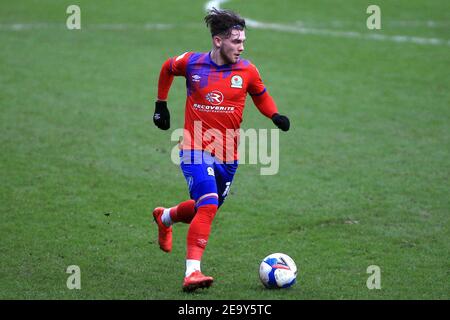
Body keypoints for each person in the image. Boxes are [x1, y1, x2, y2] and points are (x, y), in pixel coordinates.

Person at [152, 8, 290, 292]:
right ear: (218, 41)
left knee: (206, 208)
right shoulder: (192, 63)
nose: (241, 47)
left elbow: (261, 96)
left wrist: (274, 115)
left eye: (243, 41)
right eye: (236, 41)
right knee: (209, 202)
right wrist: (160, 104)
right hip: (193, 147)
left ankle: (165, 216)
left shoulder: (247, 71)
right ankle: (192, 272)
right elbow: (167, 67)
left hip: (229, 154)